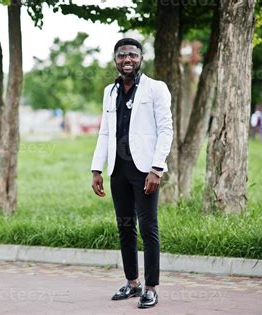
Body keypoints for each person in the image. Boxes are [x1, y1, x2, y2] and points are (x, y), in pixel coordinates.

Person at [90, 38, 173, 309]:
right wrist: (96, 169)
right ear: (115, 60)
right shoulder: (110, 92)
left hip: (145, 170)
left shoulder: (155, 88)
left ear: (140, 58)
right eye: (122, 55)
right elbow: (105, 131)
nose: (128, 59)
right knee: (125, 227)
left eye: (133, 55)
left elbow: (165, 130)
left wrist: (156, 169)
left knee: (148, 228)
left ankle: (151, 287)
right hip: (119, 169)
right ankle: (133, 283)